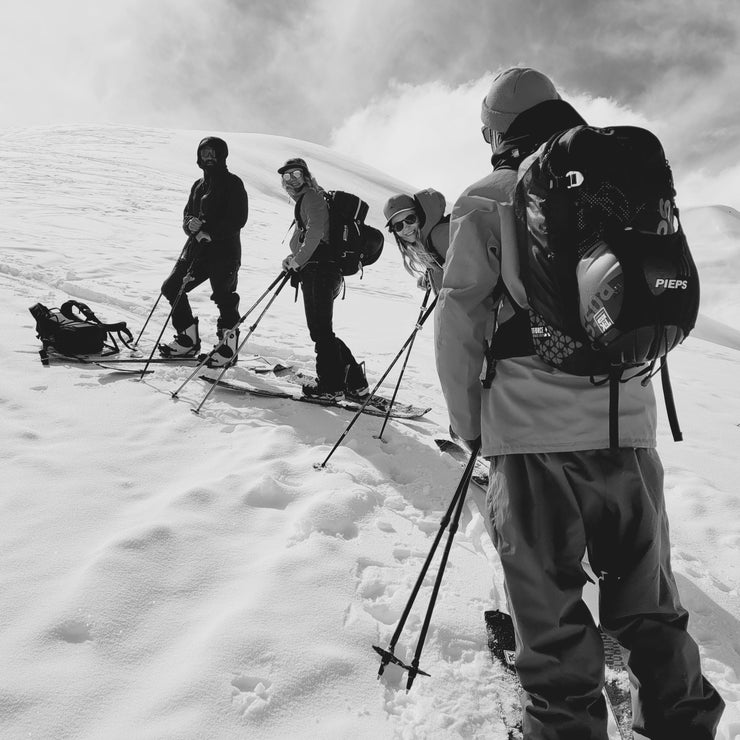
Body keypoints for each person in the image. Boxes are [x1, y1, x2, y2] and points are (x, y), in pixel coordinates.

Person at [435, 67, 724, 739]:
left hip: (532, 438)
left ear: (498, 129)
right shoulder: (622, 180)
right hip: (627, 427)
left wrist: (470, 429)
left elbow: (460, 320)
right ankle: (681, 724)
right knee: (650, 607)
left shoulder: (486, 197)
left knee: (550, 613)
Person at [278, 157, 368, 401]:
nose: (291, 180)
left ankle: (330, 386)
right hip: (321, 270)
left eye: (296, 174)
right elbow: (309, 238)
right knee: (322, 331)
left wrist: (299, 260)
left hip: (319, 271)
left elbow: (317, 233)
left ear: (306, 176)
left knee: (321, 332)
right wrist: (293, 259)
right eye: (286, 176)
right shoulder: (308, 201)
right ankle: (355, 382)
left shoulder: (313, 198)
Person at [159, 136, 249, 367]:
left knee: (224, 298)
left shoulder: (233, 183)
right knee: (172, 288)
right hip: (196, 252)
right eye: (204, 153)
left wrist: (210, 232)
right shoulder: (198, 186)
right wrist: (190, 225)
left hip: (224, 252)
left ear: (222, 155)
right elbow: (187, 214)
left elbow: (238, 218)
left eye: (213, 153)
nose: (208, 157)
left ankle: (228, 350)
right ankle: (188, 340)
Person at [383, 189, 449, 294]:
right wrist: (432, 276)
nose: (406, 227)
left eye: (410, 219)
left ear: (420, 216)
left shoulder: (440, 236)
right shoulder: (427, 243)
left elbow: (471, 274)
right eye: (398, 226)